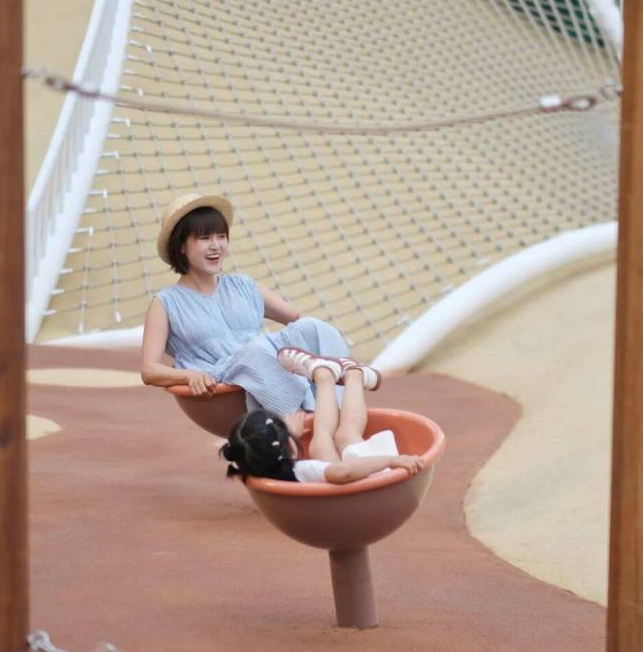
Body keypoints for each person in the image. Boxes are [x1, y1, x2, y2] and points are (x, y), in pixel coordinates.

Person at [140, 191, 381, 434]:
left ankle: (338, 392)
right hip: (223, 377)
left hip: (266, 364)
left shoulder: (244, 285)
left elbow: (297, 318)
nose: (216, 245)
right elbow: (149, 370)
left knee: (314, 327)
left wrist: (305, 342)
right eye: (204, 238)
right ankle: (309, 415)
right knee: (257, 351)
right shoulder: (165, 303)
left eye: (221, 236)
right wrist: (188, 375)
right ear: (181, 246)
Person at [220, 350, 428, 485]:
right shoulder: (305, 470)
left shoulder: (259, 469)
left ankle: (325, 377)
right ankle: (354, 375)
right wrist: (392, 460)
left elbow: (266, 450)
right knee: (347, 435)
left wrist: (287, 438)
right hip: (378, 481)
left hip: (354, 489)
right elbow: (343, 473)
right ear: (285, 448)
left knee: (320, 442)